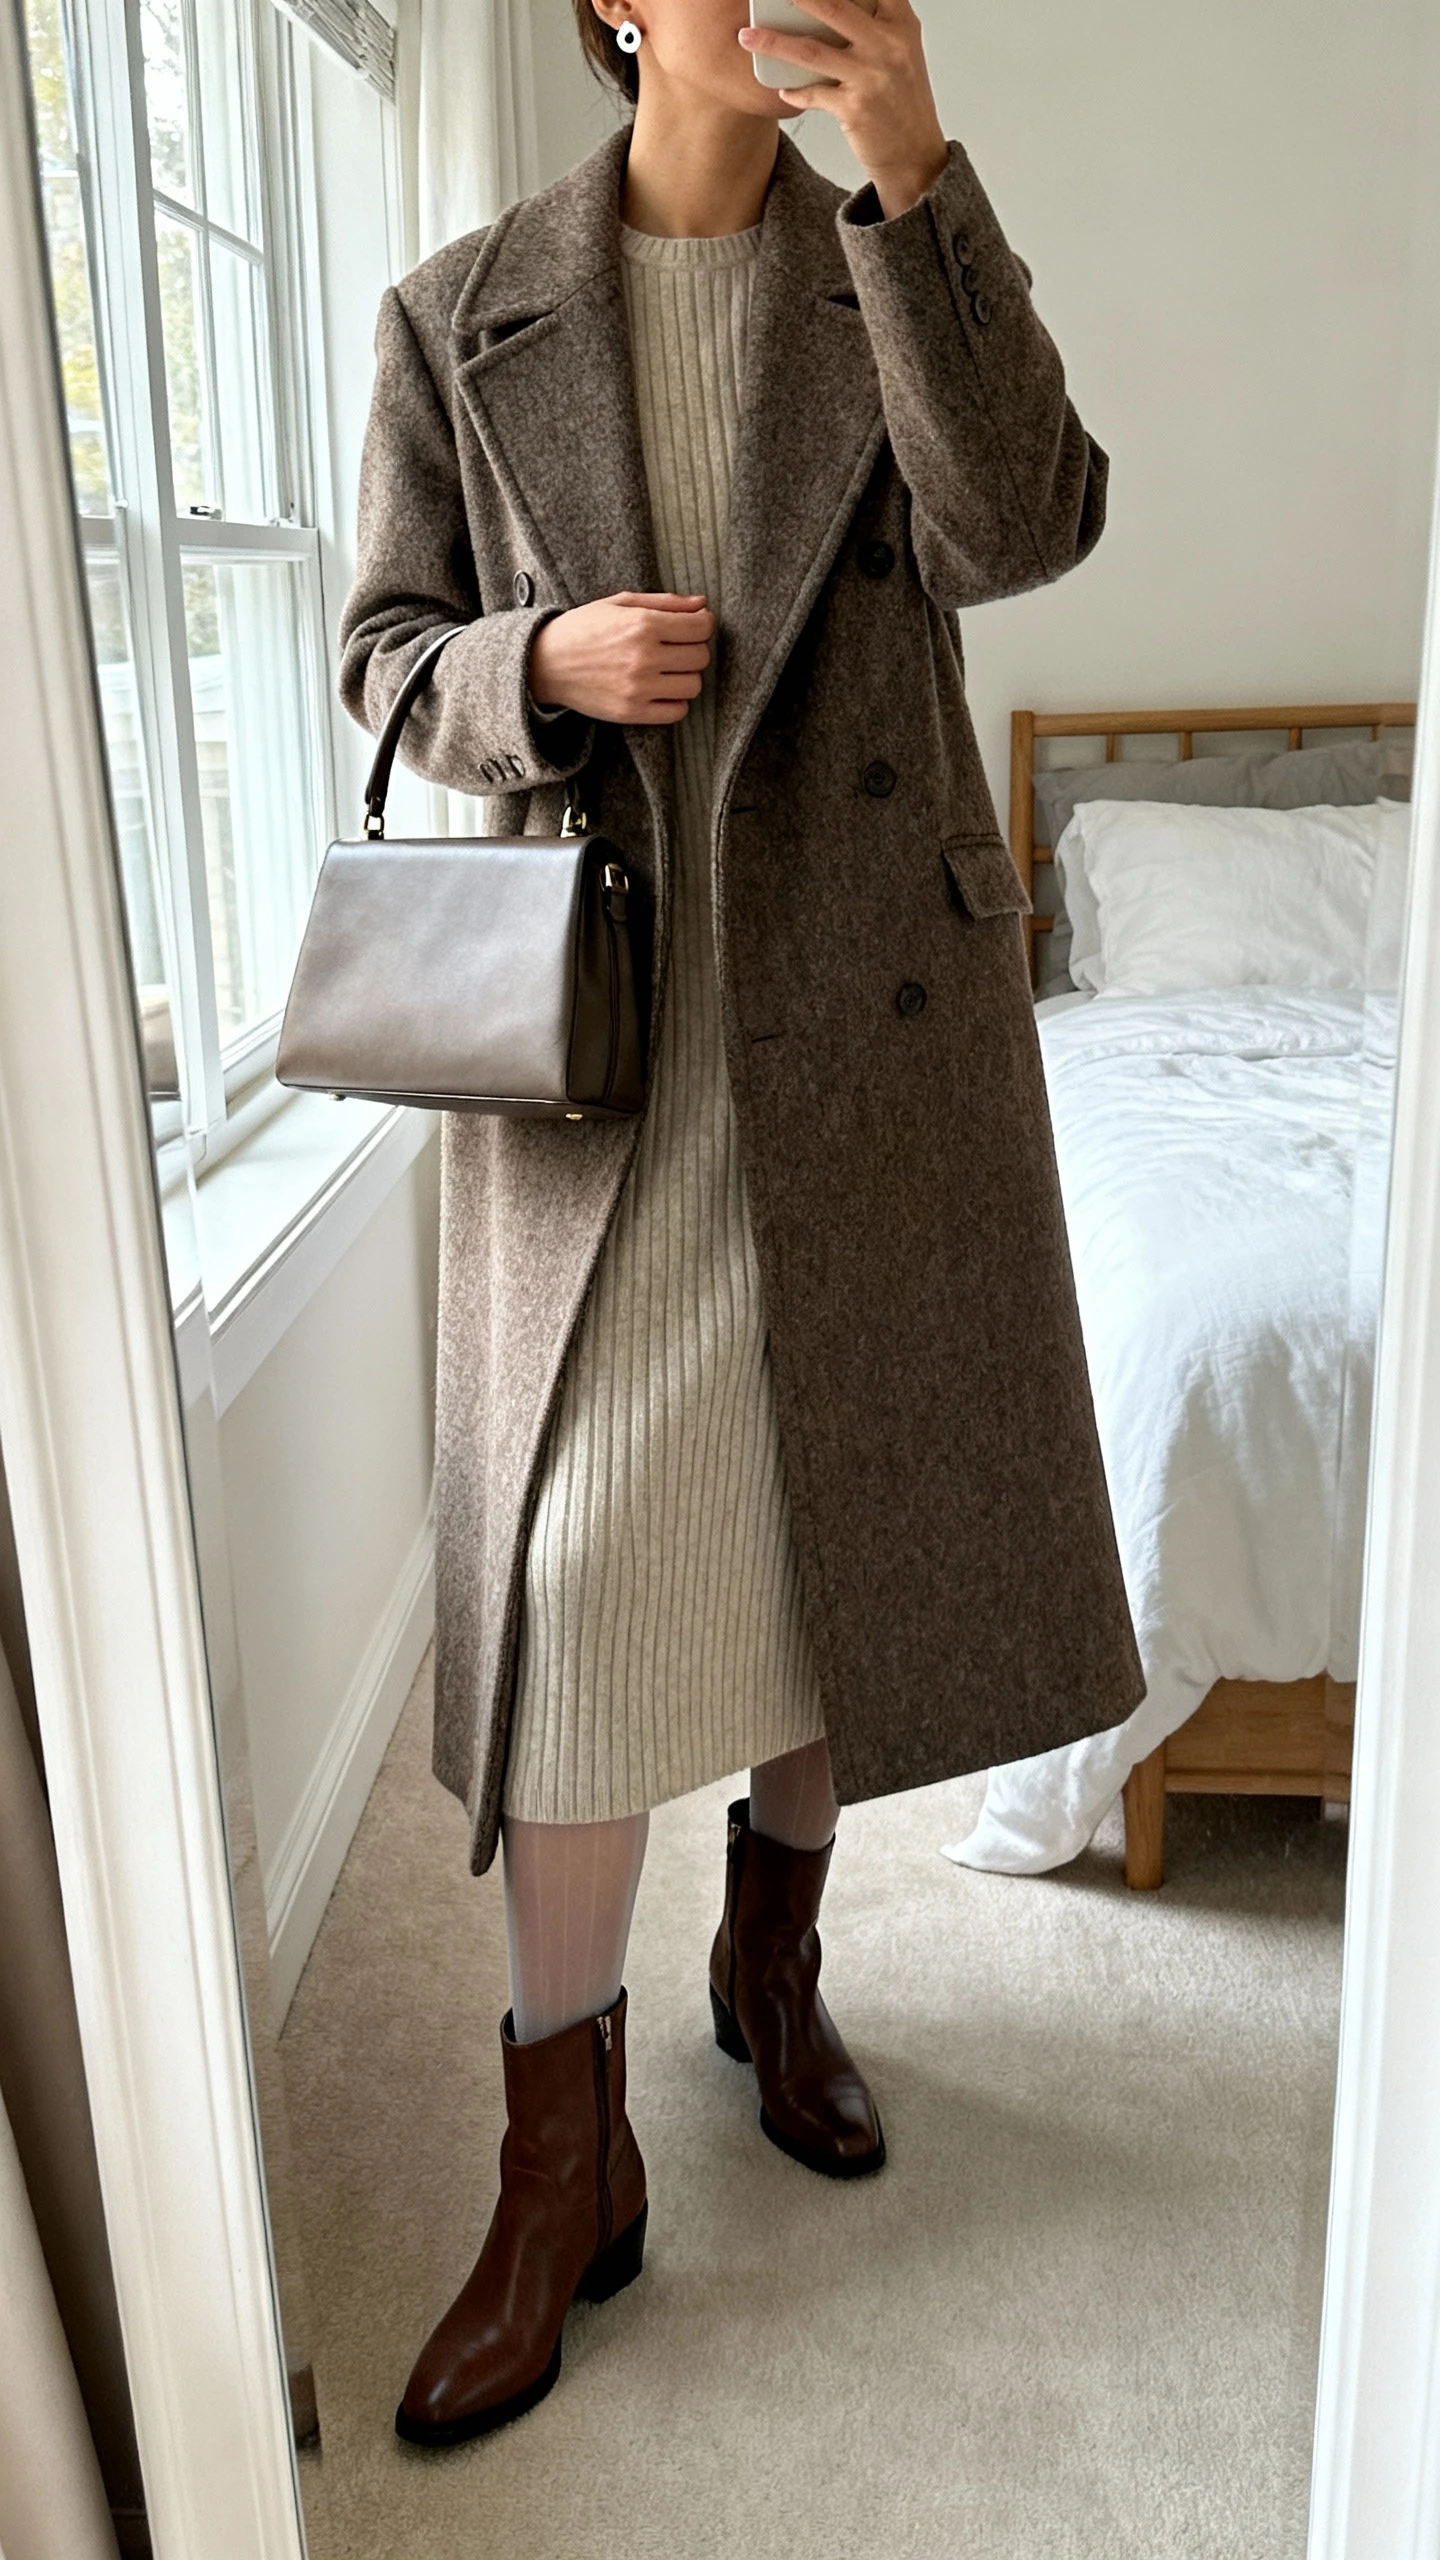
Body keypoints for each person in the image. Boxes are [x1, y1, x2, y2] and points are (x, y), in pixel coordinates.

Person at [340, 0, 1143, 2449]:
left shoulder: (883, 251)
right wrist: (538, 667)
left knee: (830, 1538)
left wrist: (917, 175)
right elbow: (377, 661)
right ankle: (552, 2153)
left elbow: (1025, 523)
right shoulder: (456, 309)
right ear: (612, 5)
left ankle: (776, 1973)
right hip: (596, 1054)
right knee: (580, 1576)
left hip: (863, 1040)